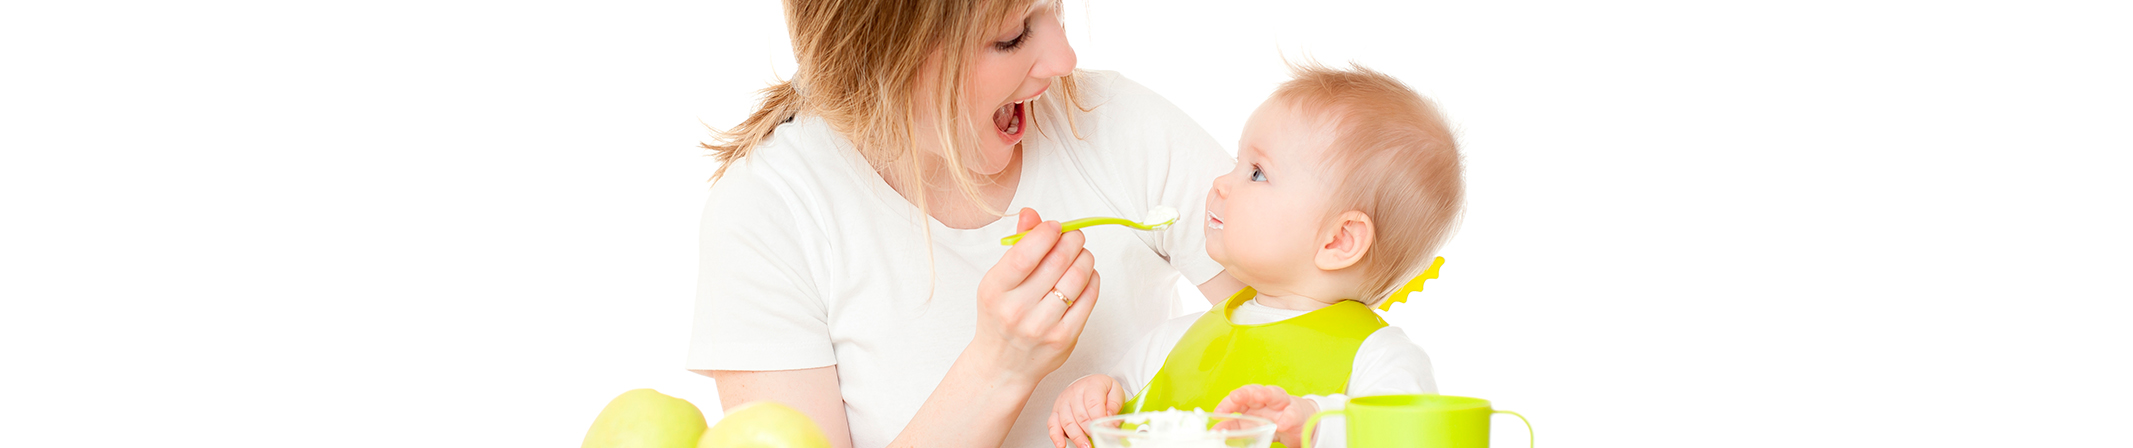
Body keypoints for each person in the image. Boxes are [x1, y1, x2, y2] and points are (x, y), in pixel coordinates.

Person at [685, 0, 1246, 447]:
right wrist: (999, 368)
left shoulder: (1114, 124)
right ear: (882, 54)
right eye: (1012, 34)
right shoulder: (773, 212)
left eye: (1055, 9)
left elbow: (1306, 320)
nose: (1063, 57)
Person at [1045, 63, 1465, 448]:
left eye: (1257, 173)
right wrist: (1095, 397)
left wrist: (1317, 423)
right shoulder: (1176, 341)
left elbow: (1410, 437)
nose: (1222, 183)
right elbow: (1119, 407)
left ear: (1338, 240)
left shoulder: (1379, 356)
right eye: (1237, 162)